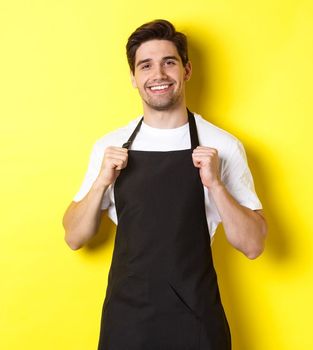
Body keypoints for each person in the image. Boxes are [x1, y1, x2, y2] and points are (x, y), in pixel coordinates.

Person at [61, 19, 267, 349]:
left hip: (196, 320)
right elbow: (74, 237)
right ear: (133, 77)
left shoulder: (222, 145)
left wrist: (215, 184)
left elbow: (254, 245)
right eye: (146, 65)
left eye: (168, 62)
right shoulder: (111, 146)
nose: (158, 75)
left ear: (186, 70)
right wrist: (101, 181)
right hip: (126, 322)